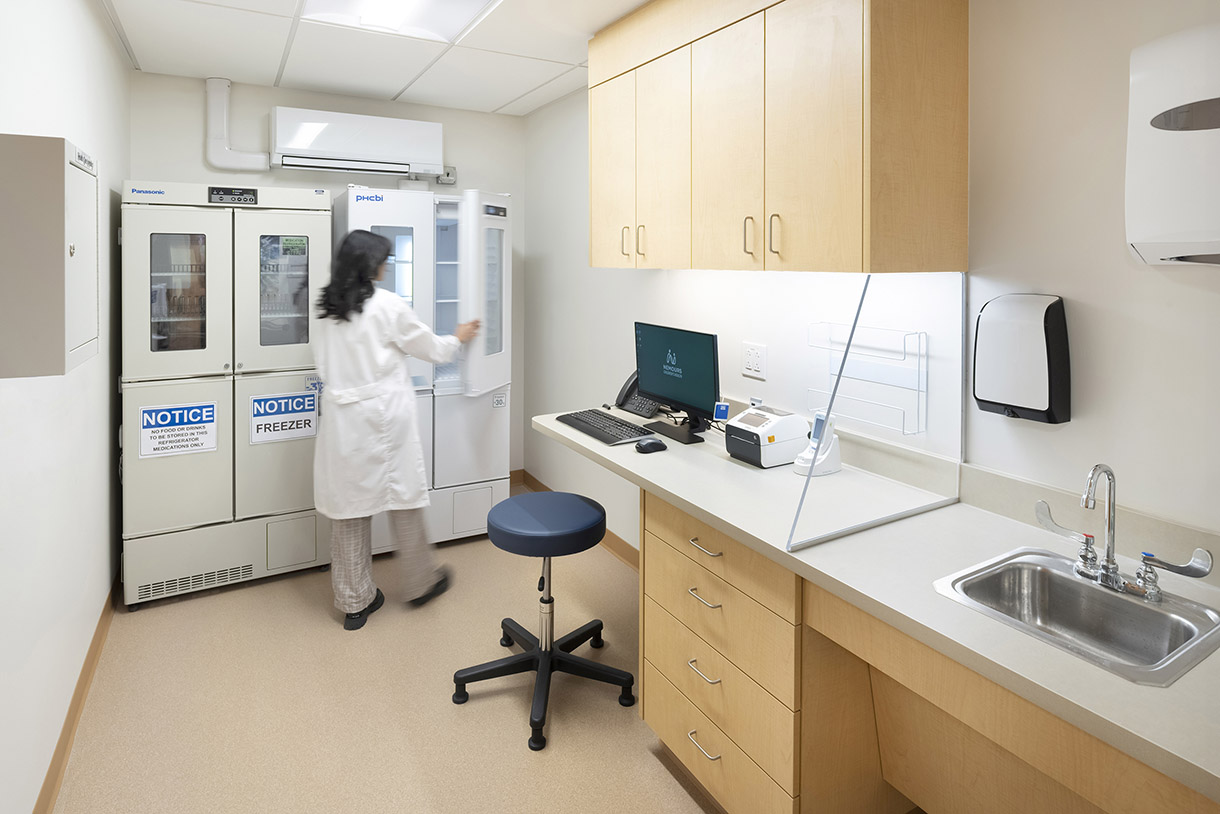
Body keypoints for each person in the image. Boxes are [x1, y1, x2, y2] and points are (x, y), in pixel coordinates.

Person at [313, 229, 479, 630]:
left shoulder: (324, 307)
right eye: (383, 259)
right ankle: (421, 581)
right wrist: (458, 338)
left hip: (341, 418)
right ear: (370, 265)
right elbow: (432, 350)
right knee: (403, 495)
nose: (387, 265)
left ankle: (355, 602)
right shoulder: (388, 305)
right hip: (384, 416)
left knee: (349, 508)